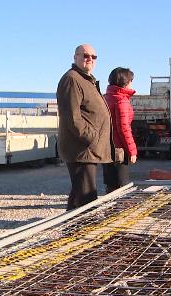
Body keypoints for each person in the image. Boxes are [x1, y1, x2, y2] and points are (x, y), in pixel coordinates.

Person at [56, 44, 113, 210]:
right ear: (75, 57)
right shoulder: (72, 79)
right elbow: (72, 118)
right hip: (81, 150)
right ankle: (87, 233)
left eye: (93, 57)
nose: (90, 59)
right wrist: (92, 137)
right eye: (85, 55)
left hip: (86, 150)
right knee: (86, 198)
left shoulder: (86, 80)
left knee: (78, 195)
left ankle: (70, 232)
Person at [102, 67, 138, 193]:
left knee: (111, 185)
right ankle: (118, 211)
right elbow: (123, 128)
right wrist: (132, 150)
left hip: (106, 148)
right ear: (125, 82)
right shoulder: (121, 100)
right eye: (131, 81)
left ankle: (111, 211)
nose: (132, 83)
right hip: (119, 151)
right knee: (121, 187)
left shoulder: (106, 97)